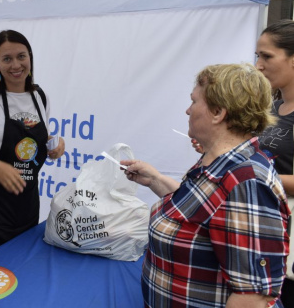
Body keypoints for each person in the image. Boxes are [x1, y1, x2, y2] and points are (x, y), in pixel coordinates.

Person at [120, 63, 290, 308]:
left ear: (218, 112)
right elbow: (200, 213)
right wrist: (155, 180)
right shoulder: (219, 162)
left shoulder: (247, 183)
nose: (188, 110)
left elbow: (252, 297)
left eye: (194, 101)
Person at [0, 29, 65, 266]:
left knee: (19, 278)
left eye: (21, 56)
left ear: (30, 57)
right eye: (7, 59)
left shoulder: (40, 96)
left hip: (26, 210)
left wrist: (56, 144)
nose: (16, 65)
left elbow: (38, 137)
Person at [255, 19, 294, 307]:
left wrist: (252, 177)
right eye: (258, 55)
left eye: (267, 56)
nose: (258, 65)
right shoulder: (270, 106)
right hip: (265, 232)